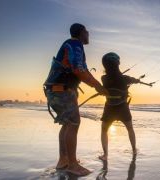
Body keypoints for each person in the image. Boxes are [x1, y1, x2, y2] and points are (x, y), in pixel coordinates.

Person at [43, 23, 107, 176]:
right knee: (73, 123)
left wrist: (95, 84)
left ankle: (63, 160)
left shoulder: (70, 44)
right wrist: (97, 85)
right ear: (81, 33)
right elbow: (78, 69)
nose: (89, 33)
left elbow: (79, 69)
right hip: (62, 91)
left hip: (54, 91)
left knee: (67, 124)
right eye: (86, 31)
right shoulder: (75, 44)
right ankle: (72, 164)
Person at [99, 52, 139, 161]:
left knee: (104, 130)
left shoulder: (104, 78)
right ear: (117, 64)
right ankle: (134, 150)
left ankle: (105, 155)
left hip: (109, 108)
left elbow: (111, 81)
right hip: (123, 109)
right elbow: (134, 80)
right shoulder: (125, 78)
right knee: (130, 128)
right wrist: (137, 80)